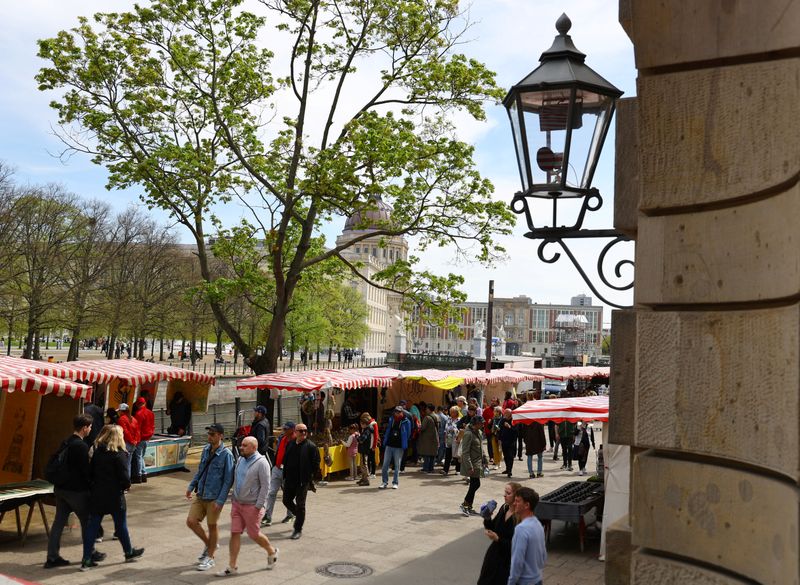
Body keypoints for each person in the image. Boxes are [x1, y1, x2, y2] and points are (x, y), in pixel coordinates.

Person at [44, 414, 105, 569]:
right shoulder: (81, 446)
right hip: (77, 492)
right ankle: (90, 553)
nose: (91, 429)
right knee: (88, 523)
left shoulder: (66, 441)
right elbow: (86, 472)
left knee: (58, 523)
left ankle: (52, 557)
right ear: (84, 428)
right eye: (90, 427)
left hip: (61, 489)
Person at [81, 425, 144, 571]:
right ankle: (128, 552)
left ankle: (86, 559)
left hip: (98, 493)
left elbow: (90, 473)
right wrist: (126, 485)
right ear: (118, 437)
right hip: (115, 495)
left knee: (93, 526)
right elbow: (124, 477)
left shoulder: (98, 452)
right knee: (120, 524)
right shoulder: (119, 454)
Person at [215, 437, 279, 576]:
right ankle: (232, 566)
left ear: (254, 447)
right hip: (237, 504)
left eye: (244, 445)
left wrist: (258, 506)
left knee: (253, 534)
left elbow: (266, 487)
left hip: (252, 506)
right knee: (235, 532)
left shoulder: (262, 463)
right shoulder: (240, 460)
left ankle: (272, 552)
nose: (240, 447)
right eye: (241, 445)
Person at [186, 423, 235, 571]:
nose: (209, 437)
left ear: (220, 436)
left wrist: (220, 501)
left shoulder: (227, 455)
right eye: (209, 434)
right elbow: (200, 470)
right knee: (191, 521)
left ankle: (210, 557)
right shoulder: (206, 450)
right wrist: (191, 486)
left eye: (212, 434)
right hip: (201, 493)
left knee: (212, 526)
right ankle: (210, 545)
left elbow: (228, 481)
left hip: (214, 497)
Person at [478, 482, 522, 585]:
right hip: (494, 555)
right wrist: (487, 517)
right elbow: (493, 527)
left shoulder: (519, 517)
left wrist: (498, 539)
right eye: (505, 492)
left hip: (507, 561)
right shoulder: (504, 508)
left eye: (508, 493)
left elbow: (516, 545)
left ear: (516, 496)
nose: (504, 495)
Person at [281, 423, 319, 540]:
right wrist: (284, 474)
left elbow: (316, 463)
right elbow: (286, 459)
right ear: (295, 432)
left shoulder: (311, 447)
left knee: (300, 504)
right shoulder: (291, 444)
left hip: (302, 481)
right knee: (286, 500)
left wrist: (309, 476)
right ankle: (299, 516)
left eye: (305, 431)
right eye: (300, 431)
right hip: (290, 480)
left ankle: (298, 529)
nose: (303, 433)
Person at [507, 487, 547, 585]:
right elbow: (543, 555)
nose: (514, 504)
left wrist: (511, 582)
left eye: (517, 501)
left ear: (526, 505)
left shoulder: (521, 529)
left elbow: (517, 561)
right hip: (537, 579)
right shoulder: (538, 524)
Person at [262, 421, 296, 527]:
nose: (283, 431)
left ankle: (290, 514)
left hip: (288, 471)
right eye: (283, 429)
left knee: (288, 494)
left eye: (286, 429)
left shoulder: (296, 441)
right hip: (277, 468)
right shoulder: (282, 438)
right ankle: (268, 516)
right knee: (271, 492)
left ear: (292, 430)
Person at [459, 415, 486, 516]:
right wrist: (469, 466)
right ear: (475, 424)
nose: (483, 424)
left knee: (475, 484)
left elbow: (480, 447)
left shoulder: (478, 432)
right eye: (481, 423)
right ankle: (465, 505)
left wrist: (485, 459)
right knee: (475, 484)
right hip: (472, 464)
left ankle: (469, 506)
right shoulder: (469, 434)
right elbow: (465, 452)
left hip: (477, 463)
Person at [380, 406, 411, 489]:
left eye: (399, 412)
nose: (397, 413)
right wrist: (385, 440)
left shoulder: (406, 421)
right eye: (396, 411)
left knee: (397, 465)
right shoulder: (391, 419)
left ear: (402, 412)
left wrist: (403, 442)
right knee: (385, 465)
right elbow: (388, 430)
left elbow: (408, 434)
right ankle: (384, 482)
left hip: (399, 446)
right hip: (389, 444)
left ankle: (395, 482)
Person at [132, 397, 154, 483]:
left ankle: (139, 475)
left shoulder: (138, 414)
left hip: (141, 438)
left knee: (138, 457)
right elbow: (152, 425)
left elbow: (137, 428)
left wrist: (135, 439)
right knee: (141, 456)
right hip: (147, 437)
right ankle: (144, 474)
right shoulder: (150, 413)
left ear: (138, 404)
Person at [116, 403, 140, 478]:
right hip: (133, 444)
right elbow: (138, 431)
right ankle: (127, 481)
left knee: (124, 464)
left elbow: (125, 432)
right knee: (128, 463)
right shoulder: (133, 419)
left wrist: (132, 440)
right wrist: (135, 441)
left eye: (119, 411)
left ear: (122, 411)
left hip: (126, 443)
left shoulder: (121, 419)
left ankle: (125, 481)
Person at [417, 403, 439, 473]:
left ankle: (426, 469)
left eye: (426, 409)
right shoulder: (437, 416)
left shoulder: (427, 418)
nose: (426, 410)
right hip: (435, 437)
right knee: (432, 454)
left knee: (426, 454)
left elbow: (422, 428)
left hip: (427, 438)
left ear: (429, 409)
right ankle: (431, 468)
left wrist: (419, 427)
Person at [441, 405, 460, 476]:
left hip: (455, 439)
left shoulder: (459, 420)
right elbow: (446, 428)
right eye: (450, 412)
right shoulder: (449, 419)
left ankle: (458, 469)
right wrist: (445, 436)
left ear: (456, 413)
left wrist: (454, 430)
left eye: (452, 412)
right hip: (448, 438)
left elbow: (460, 430)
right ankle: (445, 470)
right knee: (448, 454)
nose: (451, 413)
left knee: (456, 455)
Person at [498, 409, 517, 477]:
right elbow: (499, 430)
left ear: (510, 414)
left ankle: (510, 470)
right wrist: (499, 439)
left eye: (506, 413)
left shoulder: (514, 420)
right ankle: (507, 468)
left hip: (511, 441)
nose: (504, 414)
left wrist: (509, 427)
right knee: (505, 456)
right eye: (504, 412)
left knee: (510, 456)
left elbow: (516, 430)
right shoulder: (503, 420)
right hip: (504, 440)